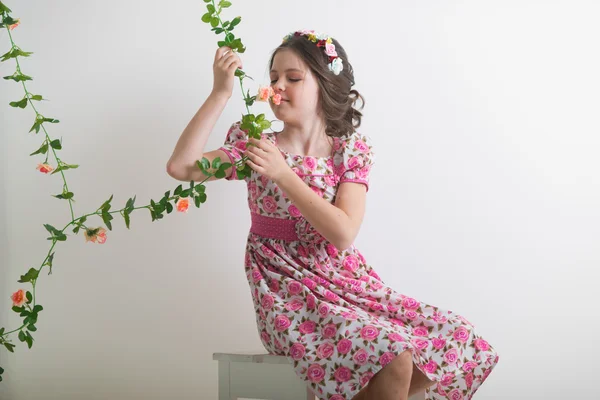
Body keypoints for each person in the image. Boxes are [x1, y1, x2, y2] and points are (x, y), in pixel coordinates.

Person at [166, 30, 499, 400]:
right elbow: (181, 167)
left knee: (455, 333)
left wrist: (283, 174)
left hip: (346, 280)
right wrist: (220, 93)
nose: (277, 86)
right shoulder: (257, 142)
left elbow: (343, 234)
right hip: (284, 287)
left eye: (293, 78)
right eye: (273, 77)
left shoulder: (350, 151)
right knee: (396, 355)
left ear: (325, 86)